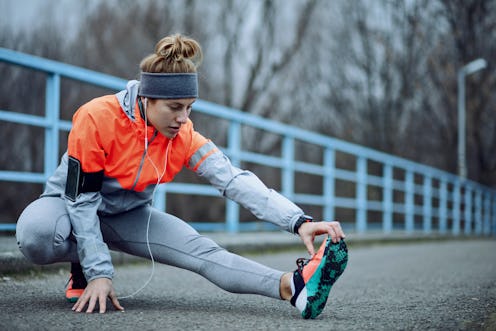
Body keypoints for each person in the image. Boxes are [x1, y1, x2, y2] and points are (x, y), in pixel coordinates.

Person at [15, 34, 348, 319]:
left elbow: (234, 180)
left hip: (127, 216)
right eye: (174, 107)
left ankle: (295, 287)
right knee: (36, 234)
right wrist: (98, 271)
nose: (183, 118)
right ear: (147, 98)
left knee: (204, 253)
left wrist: (298, 220)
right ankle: (82, 269)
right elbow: (83, 199)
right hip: (67, 208)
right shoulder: (96, 118)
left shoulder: (183, 135)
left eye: (189, 107)